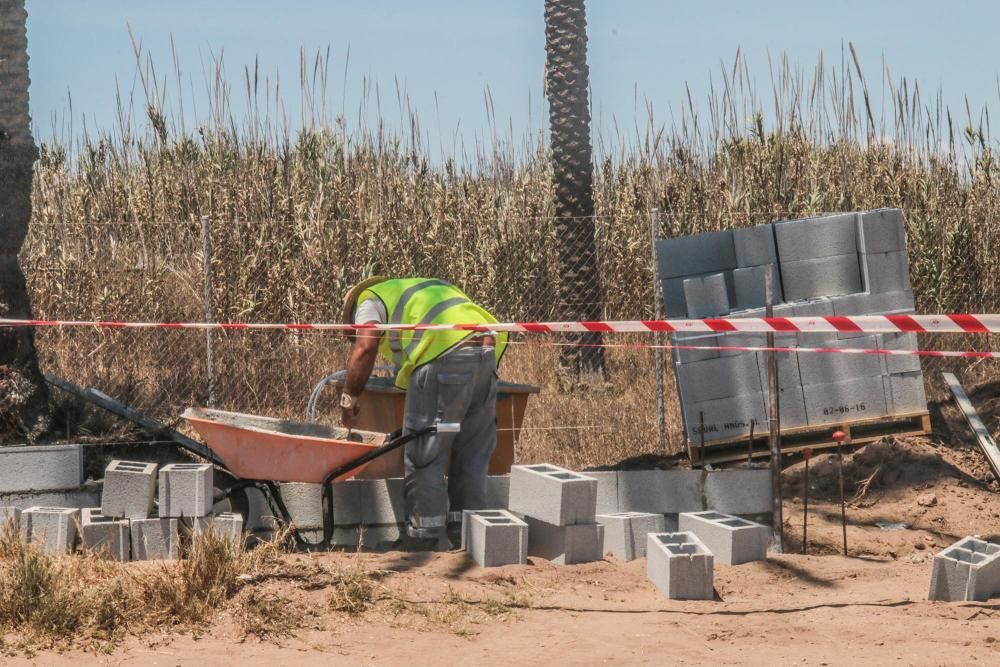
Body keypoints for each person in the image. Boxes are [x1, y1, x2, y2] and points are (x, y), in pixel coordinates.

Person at [339, 277, 508, 551]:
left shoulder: (368, 301)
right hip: (486, 352)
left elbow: (365, 347)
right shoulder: (417, 289)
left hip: (443, 354)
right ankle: (468, 535)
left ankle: (423, 536)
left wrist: (349, 398)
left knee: (424, 449)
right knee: (472, 450)